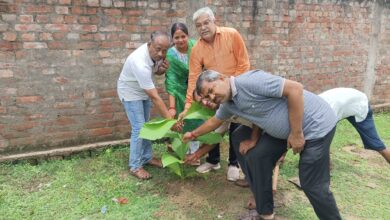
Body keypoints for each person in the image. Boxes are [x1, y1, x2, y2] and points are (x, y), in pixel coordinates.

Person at [183, 70, 341, 219]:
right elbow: (214, 122)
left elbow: (295, 89)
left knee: (312, 185)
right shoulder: (228, 104)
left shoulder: (250, 81)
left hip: (315, 126)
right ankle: (266, 213)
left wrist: (297, 133)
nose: (211, 97)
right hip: (284, 133)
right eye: (207, 97)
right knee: (257, 155)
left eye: (211, 90)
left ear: (222, 78)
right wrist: (193, 134)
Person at [178, 6, 250, 181]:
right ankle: (213, 160)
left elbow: (244, 64)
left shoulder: (231, 35)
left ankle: (234, 163)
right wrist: (188, 106)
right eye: (198, 25)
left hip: (236, 90)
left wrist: (231, 89)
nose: (203, 27)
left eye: (206, 22)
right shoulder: (197, 50)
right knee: (213, 125)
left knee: (235, 128)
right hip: (213, 95)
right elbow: (194, 79)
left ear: (213, 20)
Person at [117, 31, 173, 180]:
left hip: (141, 90)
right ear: (149, 45)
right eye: (158, 49)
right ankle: (135, 166)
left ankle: (147, 157)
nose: (161, 54)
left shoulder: (154, 54)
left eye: (165, 50)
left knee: (146, 126)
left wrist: (161, 69)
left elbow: (155, 72)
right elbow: (155, 97)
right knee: (139, 128)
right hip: (130, 93)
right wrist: (170, 121)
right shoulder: (139, 62)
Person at [319, 88, 390, 164]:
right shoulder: (314, 106)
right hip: (344, 104)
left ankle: (326, 166)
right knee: (323, 138)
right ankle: (326, 165)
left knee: (377, 145)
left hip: (359, 106)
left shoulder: (327, 110)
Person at [165, 23, 200, 159]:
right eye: (176, 37)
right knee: (182, 120)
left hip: (197, 90)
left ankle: (195, 153)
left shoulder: (196, 46)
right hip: (180, 92)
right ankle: (182, 150)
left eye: (183, 36)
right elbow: (171, 81)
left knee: (196, 119)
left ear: (188, 36)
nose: (180, 40)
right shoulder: (171, 55)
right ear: (172, 39)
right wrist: (172, 106)